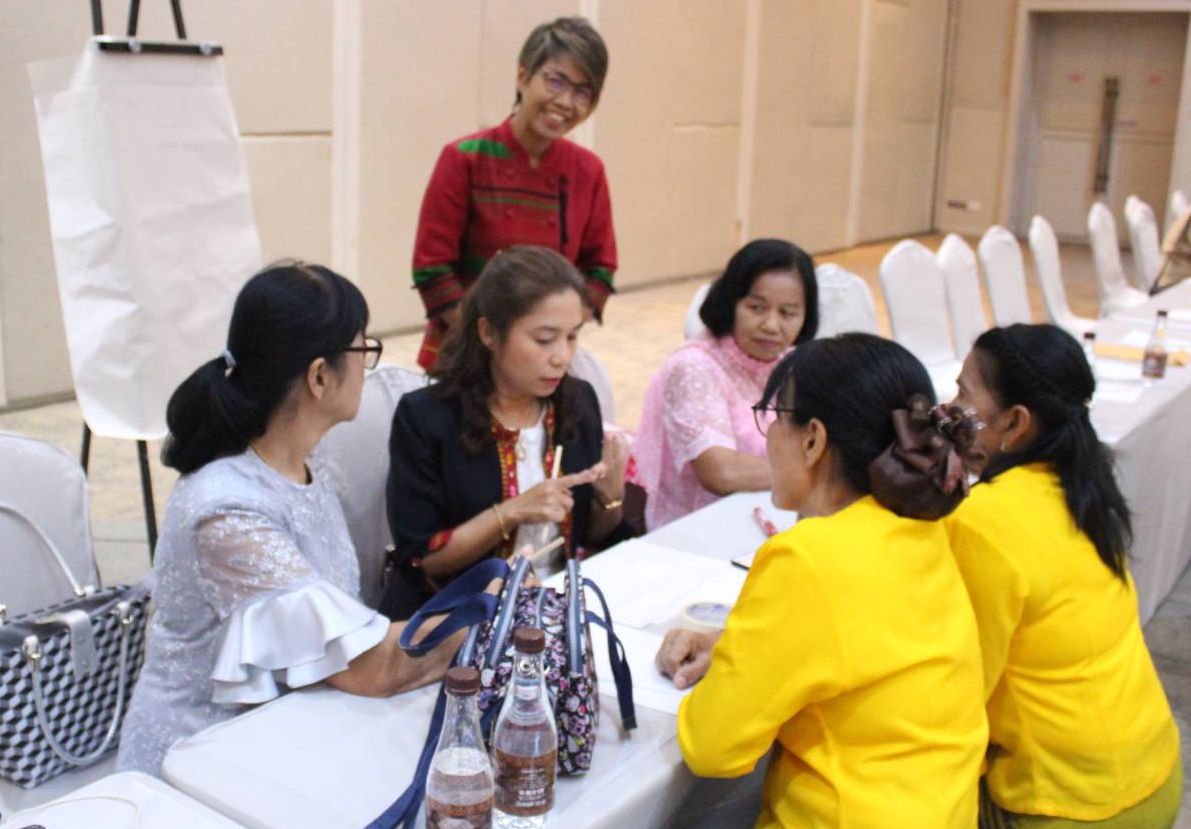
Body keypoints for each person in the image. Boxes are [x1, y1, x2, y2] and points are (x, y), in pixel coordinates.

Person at [624, 335, 987, 829]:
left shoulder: (807, 558)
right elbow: (867, 650)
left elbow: (714, 749)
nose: (768, 437)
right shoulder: (924, 530)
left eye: (774, 418)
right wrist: (737, 644)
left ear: (813, 439)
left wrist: (739, 665)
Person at [117, 263, 464, 775]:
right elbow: (372, 667)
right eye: (363, 351)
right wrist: (486, 617)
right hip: (194, 767)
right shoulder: (227, 512)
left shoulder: (303, 466)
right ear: (320, 376)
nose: (368, 369)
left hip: (279, 735)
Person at [946, 323, 1181, 829]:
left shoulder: (985, 521)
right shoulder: (1082, 489)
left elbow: (957, 693)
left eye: (963, 393)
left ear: (1016, 423)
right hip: (1154, 787)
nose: (949, 407)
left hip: (1073, 826)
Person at [382, 246, 629, 620]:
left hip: (558, 606)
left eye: (573, 337)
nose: (562, 356)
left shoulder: (576, 403)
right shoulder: (428, 417)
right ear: (488, 332)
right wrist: (512, 511)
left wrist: (609, 500)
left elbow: (593, 535)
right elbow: (424, 560)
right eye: (544, 339)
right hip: (462, 619)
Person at [410, 16, 616, 370]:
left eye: (582, 92)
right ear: (523, 76)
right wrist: (495, 343)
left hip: (547, 364)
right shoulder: (465, 158)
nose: (566, 101)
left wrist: (553, 338)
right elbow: (432, 269)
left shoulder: (588, 170)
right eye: (556, 81)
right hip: (463, 355)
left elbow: (600, 270)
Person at [632, 239, 818, 530]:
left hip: (771, 516)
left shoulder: (796, 363)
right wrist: (819, 471)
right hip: (697, 533)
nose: (771, 325)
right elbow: (721, 472)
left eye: (788, 313)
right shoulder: (695, 367)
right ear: (730, 302)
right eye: (756, 307)